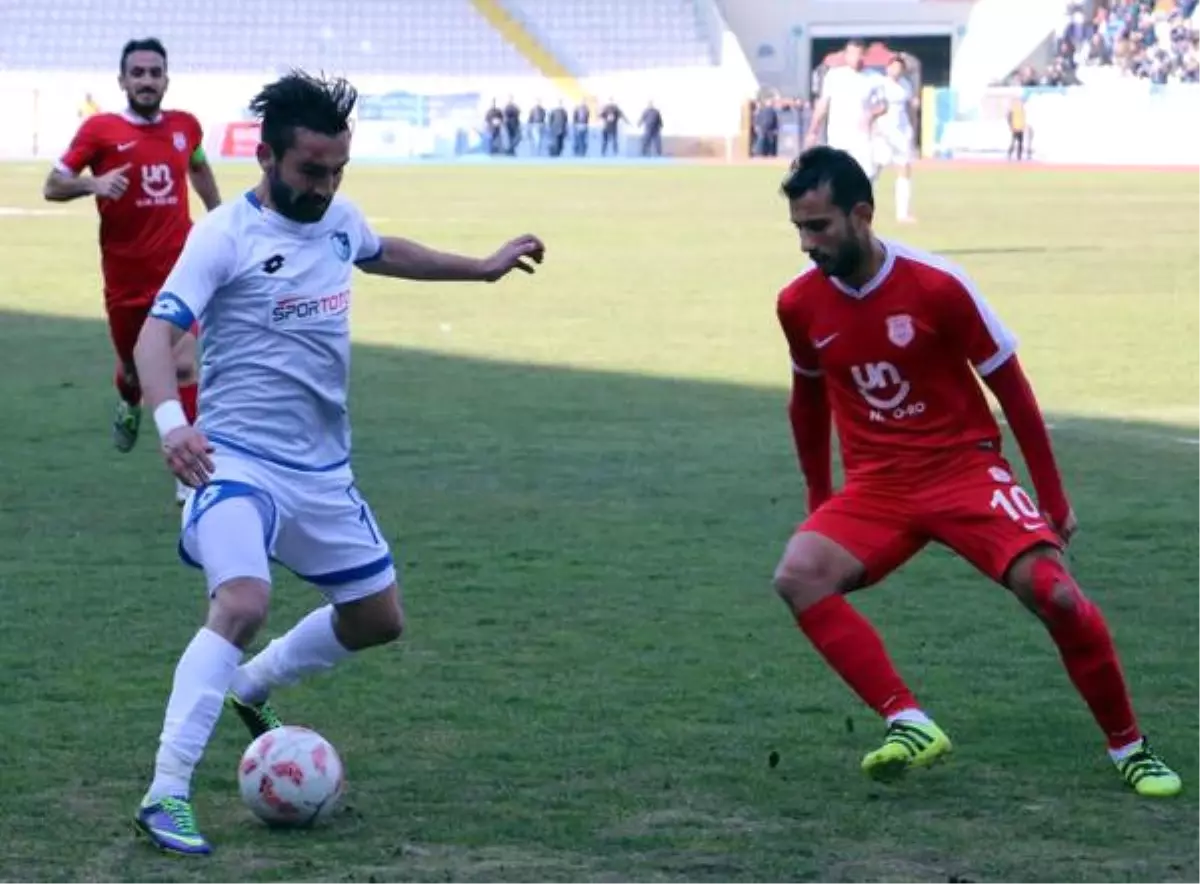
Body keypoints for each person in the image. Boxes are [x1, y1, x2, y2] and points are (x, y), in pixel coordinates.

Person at [129, 70, 547, 855]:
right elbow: (157, 334)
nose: (324, 187)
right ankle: (165, 793)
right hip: (235, 463)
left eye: (336, 172)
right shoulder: (224, 234)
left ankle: (253, 686)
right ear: (267, 156)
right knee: (244, 599)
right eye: (309, 172)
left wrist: (483, 267)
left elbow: (387, 252)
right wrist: (170, 424)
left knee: (378, 619)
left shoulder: (338, 219)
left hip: (321, 475)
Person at [772, 146, 1181, 798]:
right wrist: (821, 498)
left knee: (1057, 595)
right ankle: (908, 721)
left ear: (861, 215)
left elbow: (1011, 389)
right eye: (798, 227)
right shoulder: (798, 305)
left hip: (963, 470)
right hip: (878, 484)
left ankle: (1129, 747)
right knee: (798, 576)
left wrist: (1052, 497)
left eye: (818, 227)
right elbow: (808, 400)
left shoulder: (936, 285)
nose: (806, 243)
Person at [43, 38, 222, 504]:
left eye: (154, 72)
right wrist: (93, 184)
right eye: (137, 73)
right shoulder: (99, 131)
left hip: (180, 272)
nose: (147, 80)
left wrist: (219, 214)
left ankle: (188, 474)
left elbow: (198, 165)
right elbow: (52, 184)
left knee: (183, 363)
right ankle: (128, 399)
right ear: (122, 80)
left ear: (167, 79)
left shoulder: (186, 127)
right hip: (125, 280)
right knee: (135, 370)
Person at [804, 40, 886, 180]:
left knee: (867, 175)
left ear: (864, 55)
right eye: (852, 53)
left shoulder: (875, 78)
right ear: (846, 55)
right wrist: (813, 131)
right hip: (838, 135)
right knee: (837, 177)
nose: (856, 57)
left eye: (859, 54)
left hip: (862, 136)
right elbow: (823, 104)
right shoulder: (834, 76)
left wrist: (871, 114)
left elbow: (883, 105)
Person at [873, 56, 919, 223]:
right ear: (887, 68)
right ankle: (862, 208)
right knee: (874, 170)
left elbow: (910, 108)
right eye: (893, 67)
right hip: (883, 131)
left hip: (901, 132)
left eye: (900, 68)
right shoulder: (880, 84)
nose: (896, 71)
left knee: (904, 169)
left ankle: (903, 213)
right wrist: (875, 128)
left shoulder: (906, 85)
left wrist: (913, 127)